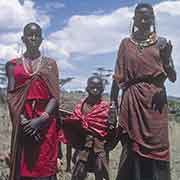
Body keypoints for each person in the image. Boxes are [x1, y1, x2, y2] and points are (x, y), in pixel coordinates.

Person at [110, 3, 176, 180]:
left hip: (155, 104)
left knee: (158, 147)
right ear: (134, 19)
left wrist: (167, 60)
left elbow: (173, 77)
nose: (145, 20)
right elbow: (117, 77)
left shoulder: (162, 43)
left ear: (153, 19)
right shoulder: (125, 44)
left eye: (148, 16)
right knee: (131, 148)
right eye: (141, 16)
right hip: (132, 101)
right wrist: (113, 104)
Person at [6, 22, 60, 180]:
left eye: (37, 35)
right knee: (23, 167)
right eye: (30, 35)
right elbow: (11, 96)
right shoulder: (13, 65)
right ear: (23, 38)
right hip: (22, 120)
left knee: (44, 168)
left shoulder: (50, 64)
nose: (33, 38)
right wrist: (24, 122)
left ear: (42, 39)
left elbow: (54, 96)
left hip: (46, 122)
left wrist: (40, 120)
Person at [63, 76, 110, 180]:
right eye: (92, 87)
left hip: (99, 145)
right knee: (79, 172)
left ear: (102, 89)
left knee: (100, 170)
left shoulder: (106, 108)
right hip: (83, 144)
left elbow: (110, 130)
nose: (95, 90)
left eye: (98, 87)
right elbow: (74, 123)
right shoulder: (80, 106)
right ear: (87, 88)